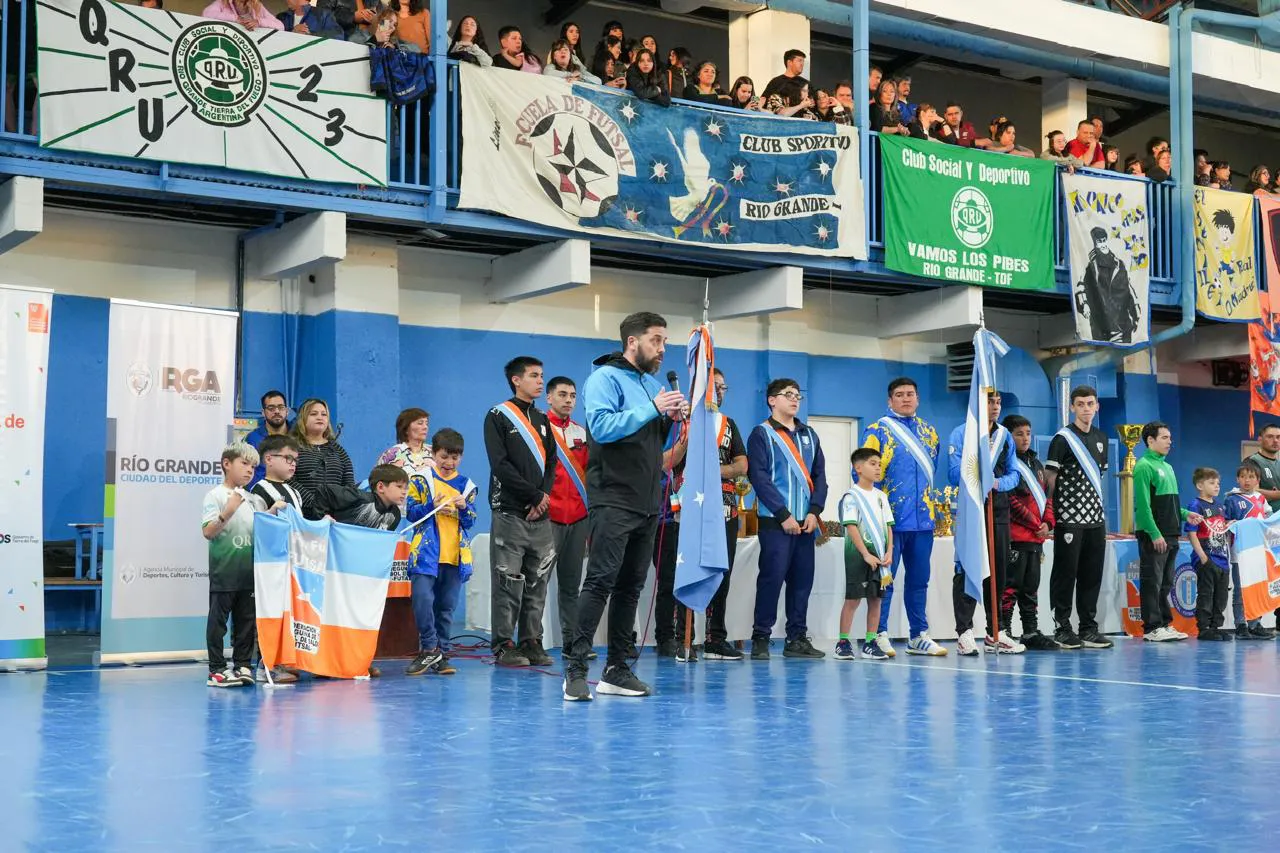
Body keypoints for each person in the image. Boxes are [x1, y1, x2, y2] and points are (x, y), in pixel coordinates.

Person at [562, 312, 685, 702]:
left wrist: (670, 418)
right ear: (633, 342)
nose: (663, 349)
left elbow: (646, 442)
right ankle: (575, 670)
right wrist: (654, 409)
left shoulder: (650, 384)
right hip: (613, 495)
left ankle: (616, 669)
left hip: (648, 499)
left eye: (665, 341)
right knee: (600, 581)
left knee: (632, 587)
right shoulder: (604, 378)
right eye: (656, 340)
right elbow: (601, 428)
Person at [862, 377, 944, 657]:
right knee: (885, 580)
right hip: (889, 522)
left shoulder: (930, 433)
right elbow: (861, 474)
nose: (906, 399)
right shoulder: (877, 431)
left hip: (923, 521)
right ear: (890, 401)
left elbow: (931, 468)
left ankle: (918, 635)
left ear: (918, 399)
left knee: (920, 580)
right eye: (899, 395)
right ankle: (878, 633)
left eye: (911, 394)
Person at [746, 378, 828, 660]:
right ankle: (760, 637)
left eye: (797, 396)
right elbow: (759, 476)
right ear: (772, 400)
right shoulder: (762, 434)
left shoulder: (810, 434)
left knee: (802, 582)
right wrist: (783, 514)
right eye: (788, 395)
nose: (794, 399)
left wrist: (815, 512)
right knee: (771, 579)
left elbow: (820, 477)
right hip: (775, 522)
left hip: (806, 523)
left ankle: (797, 638)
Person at [484, 356, 558, 668]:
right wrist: (531, 496)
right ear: (516, 380)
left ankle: (532, 642)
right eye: (534, 376)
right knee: (508, 583)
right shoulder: (498, 416)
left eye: (542, 375)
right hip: (510, 513)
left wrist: (542, 498)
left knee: (537, 583)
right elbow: (500, 464)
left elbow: (552, 462)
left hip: (539, 517)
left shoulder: (542, 420)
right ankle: (504, 646)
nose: (540, 381)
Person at [948, 391, 1023, 656]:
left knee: (999, 570)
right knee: (968, 568)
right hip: (972, 511)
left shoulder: (1005, 437)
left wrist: (998, 483)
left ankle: (996, 630)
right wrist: (977, 481)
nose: (994, 407)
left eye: (998, 403)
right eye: (989, 402)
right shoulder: (961, 433)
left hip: (999, 511)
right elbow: (952, 471)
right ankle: (965, 631)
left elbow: (1015, 473)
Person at [405, 429, 477, 676]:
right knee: (422, 599)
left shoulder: (466, 486)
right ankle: (428, 648)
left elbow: (470, 522)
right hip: (425, 554)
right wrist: (429, 506)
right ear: (433, 453)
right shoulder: (421, 479)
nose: (449, 463)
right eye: (445, 456)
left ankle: (441, 655)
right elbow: (411, 514)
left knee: (446, 607)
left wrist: (465, 508)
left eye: (455, 457)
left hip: (455, 557)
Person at [1044, 385, 1112, 650]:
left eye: (1090, 403)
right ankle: (1062, 627)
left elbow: (1099, 477)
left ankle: (1088, 628)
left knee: (1091, 575)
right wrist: (1049, 516)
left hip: (1095, 519)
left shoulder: (1101, 438)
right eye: (1081, 404)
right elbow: (1050, 480)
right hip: (1068, 519)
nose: (1086, 408)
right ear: (1072, 407)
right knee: (1065, 574)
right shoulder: (1062, 439)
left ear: (1097, 407)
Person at [201, 443, 268, 688]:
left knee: (246, 622)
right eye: (244, 463)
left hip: (248, 573)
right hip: (224, 571)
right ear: (226, 464)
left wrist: (271, 513)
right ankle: (216, 670)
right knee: (218, 622)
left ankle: (242, 665)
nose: (250, 470)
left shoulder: (253, 499)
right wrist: (226, 513)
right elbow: (208, 532)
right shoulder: (215, 495)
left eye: (253, 466)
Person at [1132, 421, 1198, 642]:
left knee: (1166, 582)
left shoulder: (1167, 467)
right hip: (1155, 535)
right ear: (1150, 441)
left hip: (1171, 533)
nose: (1170, 441)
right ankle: (1151, 628)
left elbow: (1169, 504)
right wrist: (1154, 533)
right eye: (1164, 438)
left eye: (1170, 437)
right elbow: (1143, 506)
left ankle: (1163, 624)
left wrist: (1185, 514)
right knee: (1152, 580)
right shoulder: (1143, 466)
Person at [699, 368, 748, 661]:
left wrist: (715, 472)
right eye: (712, 385)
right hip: (690, 509)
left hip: (726, 507)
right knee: (691, 570)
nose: (718, 391)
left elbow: (742, 465)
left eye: (722, 386)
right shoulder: (685, 422)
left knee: (722, 573)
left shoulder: (729, 424)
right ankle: (682, 637)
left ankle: (716, 637)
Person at [1002, 415, 1058, 650]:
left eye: (1027, 433)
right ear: (1008, 436)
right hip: (1016, 537)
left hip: (1036, 538)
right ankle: (1004, 630)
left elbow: (1046, 498)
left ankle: (1030, 631)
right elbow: (1010, 501)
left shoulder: (1036, 464)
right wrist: (1035, 523)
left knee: (1031, 587)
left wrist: (1048, 523)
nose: (1025, 438)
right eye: (1018, 434)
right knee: (1010, 587)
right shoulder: (1006, 463)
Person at [545, 376, 592, 657]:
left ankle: (571, 644)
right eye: (562, 394)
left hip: (578, 518)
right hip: (548, 518)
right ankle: (531, 642)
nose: (568, 400)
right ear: (549, 398)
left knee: (571, 586)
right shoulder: (539, 430)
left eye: (573, 396)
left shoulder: (582, 434)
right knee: (537, 586)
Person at [834, 448, 893, 661]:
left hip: (880, 558)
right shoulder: (851, 497)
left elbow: (888, 526)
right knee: (853, 599)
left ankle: (870, 642)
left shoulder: (881, 497)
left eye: (879, 464)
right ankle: (842, 642)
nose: (878, 468)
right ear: (858, 468)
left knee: (876, 599)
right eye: (872, 463)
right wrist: (865, 554)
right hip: (858, 557)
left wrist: (889, 551)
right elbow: (851, 527)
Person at [1223, 462, 1274, 639]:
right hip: (1240, 552)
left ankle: (1254, 623)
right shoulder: (1232, 499)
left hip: (1259, 552)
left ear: (1258, 480)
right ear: (1237, 479)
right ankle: (1240, 625)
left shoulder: (1261, 499)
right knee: (1240, 589)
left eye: (1251, 477)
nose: (1247, 480)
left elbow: (1268, 518)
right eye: (1243, 476)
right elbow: (1225, 524)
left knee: (1257, 588)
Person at [652, 423, 689, 659]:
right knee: (626, 583)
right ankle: (622, 639)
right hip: (640, 514)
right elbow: (664, 462)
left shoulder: (681, 429)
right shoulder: (645, 431)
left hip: (671, 517)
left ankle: (666, 636)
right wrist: (684, 441)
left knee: (669, 581)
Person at [1074, 225, 1141, 345]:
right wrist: (1084, 304)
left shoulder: (1118, 264)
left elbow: (1129, 288)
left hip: (1122, 323)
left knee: (1121, 356)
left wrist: (1136, 312)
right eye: (1099, 242)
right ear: (1094, 243)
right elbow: (1080, 285)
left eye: (1104, 240)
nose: (1103, 244)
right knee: (1103, 356)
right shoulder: (1089, 265)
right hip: (1101, 325)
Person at [289, 399, 356, 518]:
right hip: (303, 516)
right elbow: (288, 480)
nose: (320, 417)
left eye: (324, 414)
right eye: (313, 414)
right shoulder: (292, 448)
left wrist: (339, 505)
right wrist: (316, 503)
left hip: (335, 517)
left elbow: (349, 485)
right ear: (303, 419)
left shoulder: (339, 451)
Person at [1186, 468, 1231, 641]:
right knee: (1206, 593)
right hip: (1206, 557)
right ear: (1200, 485)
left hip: (1222, 559)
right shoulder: (1196, 505)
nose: (1216, 486)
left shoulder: (1220, 505)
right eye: (1212, 483)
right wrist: (1202, 556)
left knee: (1221, 595)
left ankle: (1215, 627)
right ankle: (1204, 628)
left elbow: (1222, 528)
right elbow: (1191, 532)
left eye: (1218, 483)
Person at [310, 463, 406, 531]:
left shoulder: (395, 515)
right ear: (380, 487)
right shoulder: (359, 497)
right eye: (399, 486)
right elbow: (324, 491)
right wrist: (322, 518)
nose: (404, 492)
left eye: (406, 488)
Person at [245, 389, 291, 486]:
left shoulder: (298, 436)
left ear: (287, 411)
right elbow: (248, 471)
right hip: (261, 495)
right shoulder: (252, 439)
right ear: (263, 412)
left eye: (281, 407)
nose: (277, 411)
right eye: (271, 408)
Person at [377, 407, 433, 476]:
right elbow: (377, 480)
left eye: (426, 423)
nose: (425, 427)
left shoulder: (433, 451)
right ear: (406, 428)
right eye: (420, 423)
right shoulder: (392, 454)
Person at [1247, 424, 1280, 512]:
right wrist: (1275, 494)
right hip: (1265, 520)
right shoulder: (1252, 461)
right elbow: (1250, 491)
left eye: (1278, 437)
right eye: (1270, 437)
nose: (1275, 440)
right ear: (1260, 440)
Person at [277, 0, 342, 39]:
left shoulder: (324, 14)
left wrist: (310, 35)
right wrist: (292, 32)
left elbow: (339, 35)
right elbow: (273, 39)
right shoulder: (281, 17)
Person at [202, 0, 283, 30]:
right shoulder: (222, 3)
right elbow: (206, 14)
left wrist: (258, 22)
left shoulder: (257, 6)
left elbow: (280, 26)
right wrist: (235, 19)